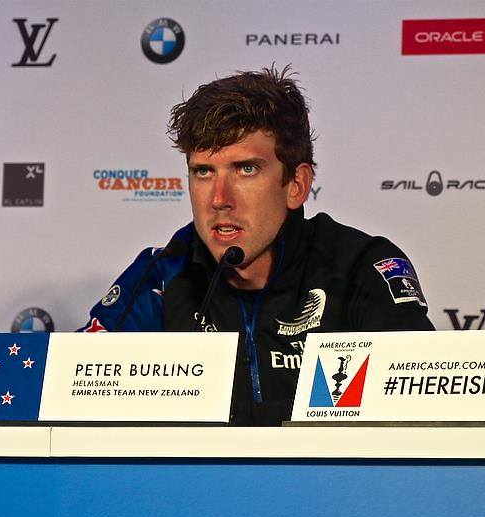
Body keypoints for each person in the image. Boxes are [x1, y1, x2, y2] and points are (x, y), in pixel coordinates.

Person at [80, 66, 434, 425]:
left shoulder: (359, 267)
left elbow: (416, 409)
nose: (219, 199)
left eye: (245, 169)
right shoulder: (164, 273)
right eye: (204, 172)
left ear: (296, 184)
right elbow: (74, 396)